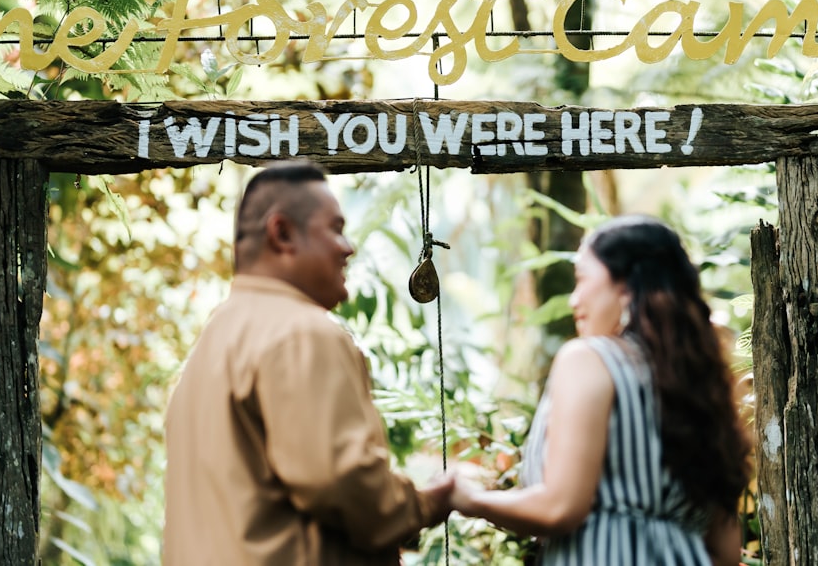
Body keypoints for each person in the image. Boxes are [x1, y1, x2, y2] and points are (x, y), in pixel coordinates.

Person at [163, 161, 452, 566]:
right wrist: (425, 503)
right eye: (334, 228)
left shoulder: (215, 338)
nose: (348, 246)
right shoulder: (301, 332)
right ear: (281, 233)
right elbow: (339, 481)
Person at [449, 215, 752, 565]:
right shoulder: (704, 384)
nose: (574, 299)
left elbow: (560, 508)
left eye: (582, 280)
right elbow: (725, 552)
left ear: (626, 288)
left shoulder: (590, 359)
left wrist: (468, 499)